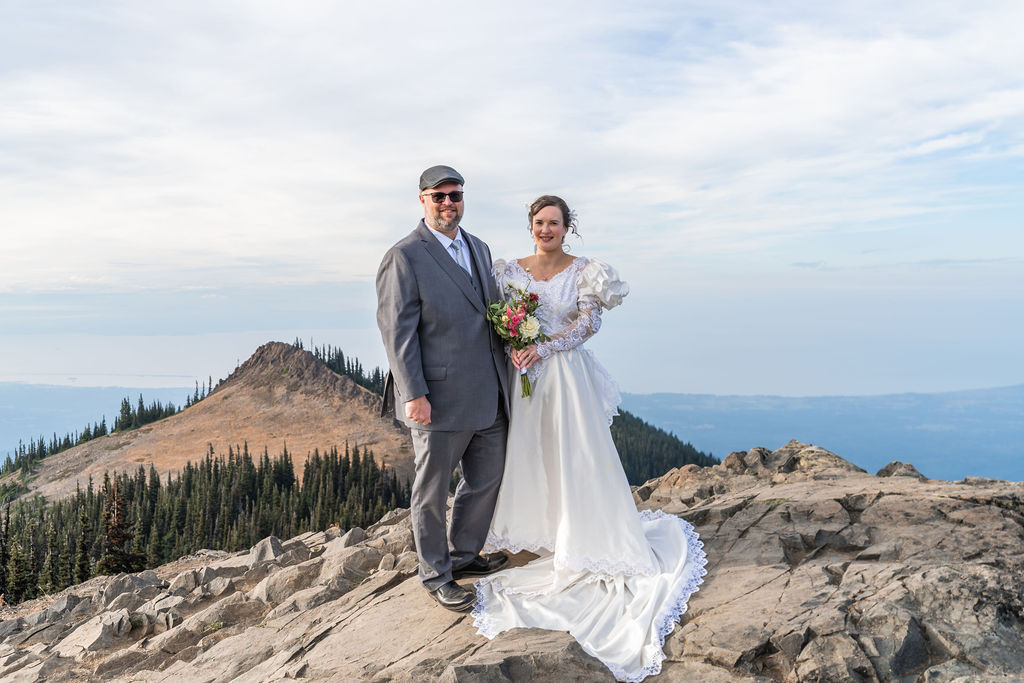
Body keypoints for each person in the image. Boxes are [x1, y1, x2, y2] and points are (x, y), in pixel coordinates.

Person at [470, 195, 708, 681]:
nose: (545, 230)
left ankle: (582, 535)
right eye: (539, 223)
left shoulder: (586, 271)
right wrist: (518, 345)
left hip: (564, 378)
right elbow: (495, 317)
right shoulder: (506, 270)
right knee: (528, 456)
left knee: (573, 456)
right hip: (522, 379)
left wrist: (544, 346)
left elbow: (588, 323)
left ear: (567, 227)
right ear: (530, 226)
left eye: (554, 223)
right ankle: (539, 534)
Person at [376, 165, 511, 611]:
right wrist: (413, 393)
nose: (449, 203)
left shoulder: (480, 247)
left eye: (455, 195)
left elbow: (487, 314)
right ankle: (435, 574)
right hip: (437, 398)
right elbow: (398, 333)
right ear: (422, 200)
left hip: (490, 392)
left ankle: (465, 557)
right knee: (431, 491)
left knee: (485, 481)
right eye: (439, 197)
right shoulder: (405, 256)